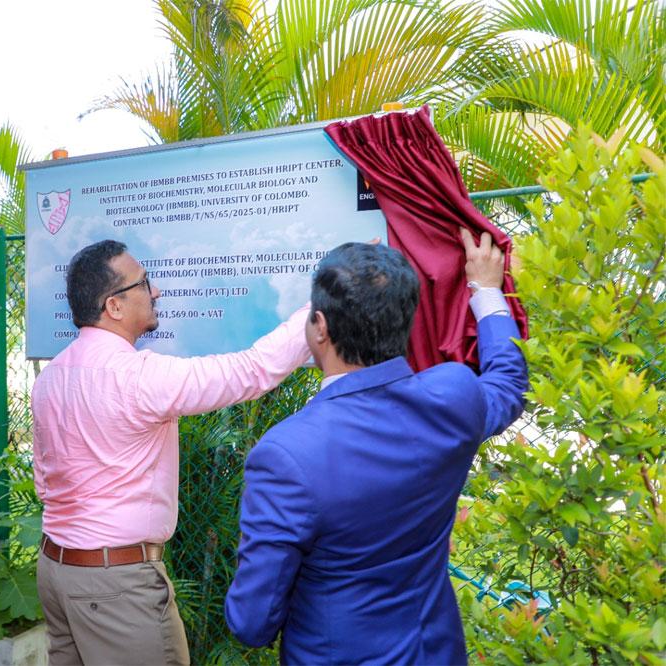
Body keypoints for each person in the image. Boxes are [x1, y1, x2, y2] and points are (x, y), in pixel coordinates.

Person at [225, 230, 528, 665]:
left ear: (320, 329)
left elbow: (252, 622)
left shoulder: (285, 455)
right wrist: (486, 290)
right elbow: (507, 384)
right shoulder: (453, 395)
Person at [31, 239, 312, 665]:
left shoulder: (50, 378)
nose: (156, 291)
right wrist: (321, 305)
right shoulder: (139, 377)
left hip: (56, 572)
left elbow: (43, 480)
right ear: (114, 306)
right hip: (115, 586)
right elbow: (253, 371)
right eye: (144, 283)